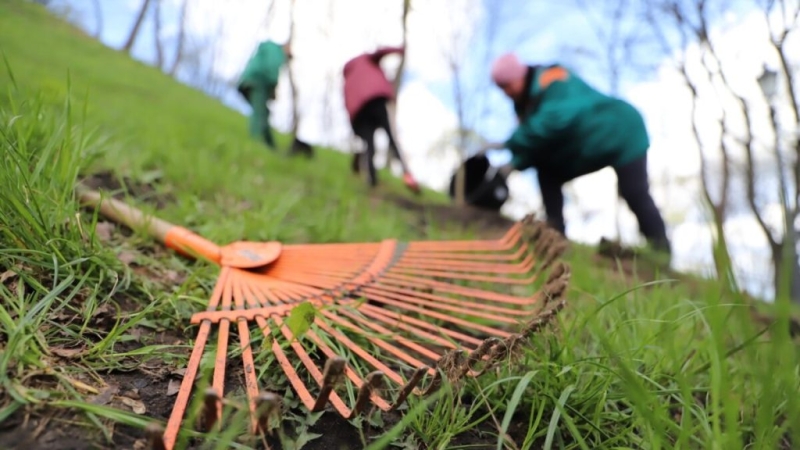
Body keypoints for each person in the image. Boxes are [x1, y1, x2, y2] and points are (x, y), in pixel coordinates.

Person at [483, 52, 671, 255]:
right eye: (501, 89)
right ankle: (555, 239)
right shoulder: (525, 105)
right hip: (587, 144)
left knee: (634, 191)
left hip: (622, 131)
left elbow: (555, 120)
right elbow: (538, 146)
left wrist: (508, 143)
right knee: (547, 172)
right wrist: (513, 165)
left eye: (507, 85)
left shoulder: (553, 78)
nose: (506, 92)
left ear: (520, 75)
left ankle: (661, 251)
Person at [343, 46, 420, 193]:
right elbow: (381, 52)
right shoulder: (365, 59)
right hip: (376, 99)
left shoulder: (348, 76)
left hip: (359, 112)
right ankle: (408, 175)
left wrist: (354, 125)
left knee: (369, 144)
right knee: (392, 137)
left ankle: (371, 180)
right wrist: (399, 50)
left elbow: (346, 101)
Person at [237, 40, 291, 150]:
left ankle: (271, 145)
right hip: (258, 81)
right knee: (259, 113)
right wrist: (273, 86)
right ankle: (254, 140)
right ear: (286, 47)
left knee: (263, 112)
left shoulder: (270, 48)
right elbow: (271, 67)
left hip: (251, 79)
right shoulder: (277, 52)